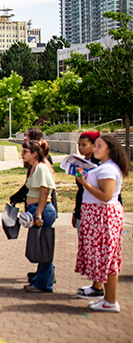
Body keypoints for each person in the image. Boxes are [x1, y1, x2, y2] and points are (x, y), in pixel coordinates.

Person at [74, 134, 128, 313]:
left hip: (103, 217)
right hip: (99, 216)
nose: (95, 149)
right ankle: (107, 299)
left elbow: (106, 195)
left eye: (99, 146)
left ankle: (111, 301)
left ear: (110, 149)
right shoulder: (105, 167)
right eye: (95, 145)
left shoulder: (108, 169)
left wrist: (84, 183)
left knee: (107, 259)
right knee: (106, 259)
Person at [17, 140, 57, 293]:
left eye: (25, 151)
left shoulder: (41, 167)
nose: (22, 154)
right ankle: (40, 279)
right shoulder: (34, 167)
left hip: (43, 210)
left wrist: (38, 213)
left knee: (44, 248)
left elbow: (45, 192)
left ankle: (45, 283)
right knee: (40, 248)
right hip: (35, 208)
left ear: (34, 153)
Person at [72, 131, 102, 229]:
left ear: (94, 145)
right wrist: (75, 211)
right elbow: (80, 189)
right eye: (79, 145)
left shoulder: (99, 165)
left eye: (84, 145)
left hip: (96, 211)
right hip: (82, 207)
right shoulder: (81, 163)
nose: (80, 148)